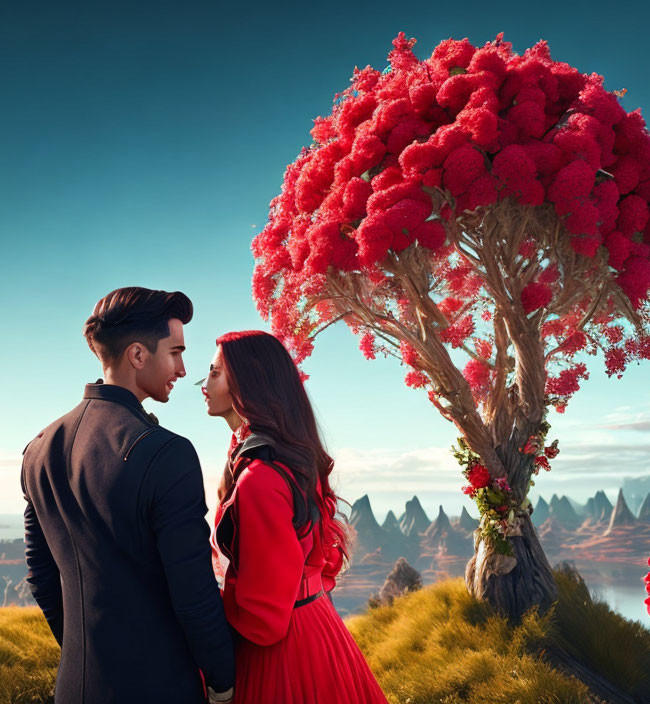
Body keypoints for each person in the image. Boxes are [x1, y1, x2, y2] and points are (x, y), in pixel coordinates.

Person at [21, 287, 235, 704]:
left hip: (74, 687)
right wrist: (222, 681)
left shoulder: (38, 448)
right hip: (161, 687)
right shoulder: (166, 452)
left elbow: (42, 579)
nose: (182, 367)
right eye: (175, 352)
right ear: (138, 355)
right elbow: (192, 592)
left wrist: (87, 653)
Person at [202, 330, 388, 704]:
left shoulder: (259, 479)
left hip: (281, 649)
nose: (204, 384)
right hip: (318, 628)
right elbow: (322, 562)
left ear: (247, 383)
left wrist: (204, 616)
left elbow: (263, 614)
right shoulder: (290, 459)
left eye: (216, 373)